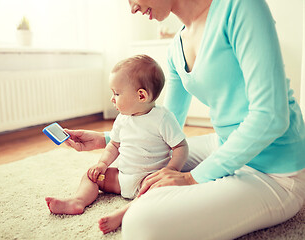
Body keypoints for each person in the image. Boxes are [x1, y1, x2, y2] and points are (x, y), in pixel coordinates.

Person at [61, 0, 305, 239]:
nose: (132, 7)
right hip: (223, 145)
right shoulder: (176, 48)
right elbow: (163, 126)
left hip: (275, 172)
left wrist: (191, 178)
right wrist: (105, 139)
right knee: (132, 161)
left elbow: (271, 116)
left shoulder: (241, 6)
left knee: (140, 224)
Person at [45, 54, 189, 234]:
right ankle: (78, 201)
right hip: (121, 179)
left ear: (141, 95)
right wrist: (102, 165)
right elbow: (114, 145)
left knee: (154, 193)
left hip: (147, 180)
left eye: (117, 93)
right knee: (90, 176)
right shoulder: (122, 119)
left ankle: (123, 215)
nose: (112, 98)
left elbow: (181, 147)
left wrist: (172, 169)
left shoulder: (163, 118)